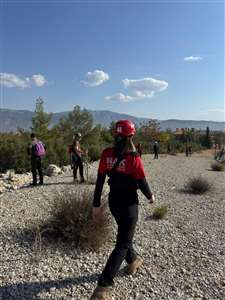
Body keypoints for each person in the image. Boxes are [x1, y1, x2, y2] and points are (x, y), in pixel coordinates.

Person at [90, 120, 155, 300]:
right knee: (122, 243)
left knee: (124, 235)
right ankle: (103, 286)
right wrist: (150, 196)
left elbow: (100, 181)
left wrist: (96, 204)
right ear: (131, 136)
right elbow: (142, 182)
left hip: (113, 202)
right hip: (128, 205)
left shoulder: (106, 154)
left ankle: (133, 261)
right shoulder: (133, 157)